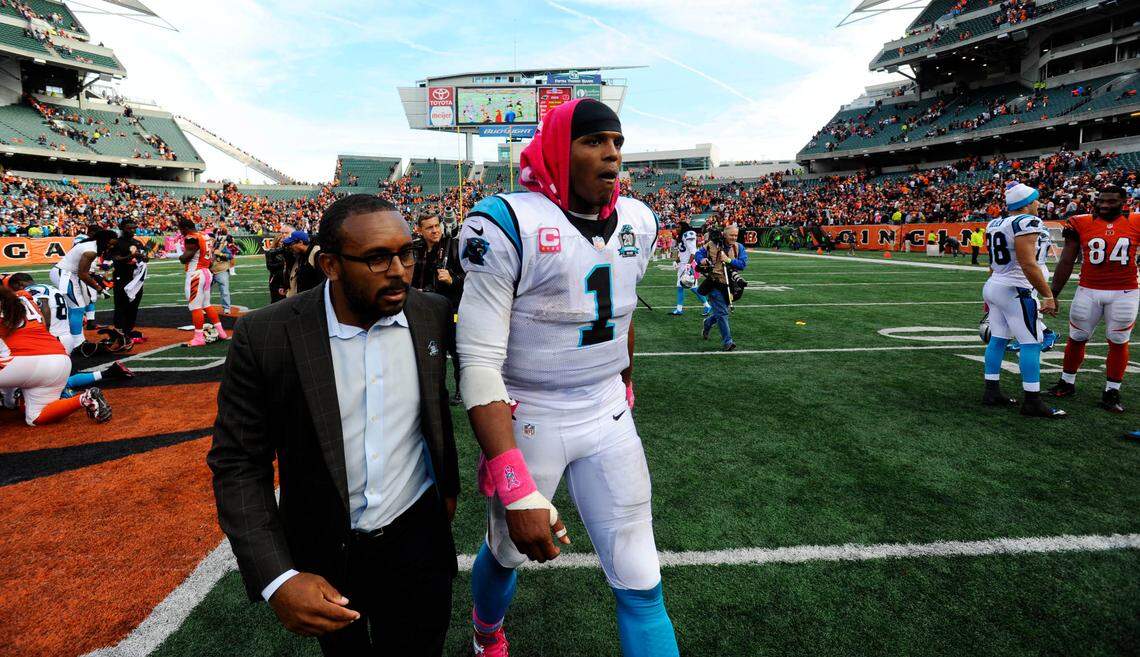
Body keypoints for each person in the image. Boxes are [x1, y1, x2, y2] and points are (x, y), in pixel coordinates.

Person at [457, 98, 679, 657]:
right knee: (507, 551)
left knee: (641, 577)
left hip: (606, 412)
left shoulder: (638, 219)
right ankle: (486, 634)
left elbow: (619, 312)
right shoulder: (507, 221)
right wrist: (512, 482)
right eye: (593, 141)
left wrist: (624, 385)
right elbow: (479, 363)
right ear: (560, 148)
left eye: (618, 142)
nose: (611, 154)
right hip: (530, 414)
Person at [209, 194, 460, 657]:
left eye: (407, 253)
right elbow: (238, 463)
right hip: (324, 548)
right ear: (330, 265)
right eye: (377, 258)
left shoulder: (431, 313)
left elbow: (446, 405)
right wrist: (278, 578)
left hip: (419, 540)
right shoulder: (267, 334)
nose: (400, 270)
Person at [1046, 185, 1138, 412]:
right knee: (1077, 336)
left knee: (1118, 341)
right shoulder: (1080, 221)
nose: (1105, 205)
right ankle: (1067, 382)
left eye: (1111, 201)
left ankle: (1112, 390)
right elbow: (1067, 260)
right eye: (1101, 201)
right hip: (1088, 289)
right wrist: (1052, 294)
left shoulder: (1136, 221)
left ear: (1124, 202)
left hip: (1125, 292)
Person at [980, 182, 1066, 418]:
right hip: (1016, 289)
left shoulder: (995, 222)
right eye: (1036, 200)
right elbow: (1028, 263)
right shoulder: (1028, 221)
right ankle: (1032, 400)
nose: (1039, 203)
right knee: (1031, 342)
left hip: (996, 284)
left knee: (997, 338)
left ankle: (991, 391)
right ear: (1027, 203)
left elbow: (993, 263)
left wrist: (990, 294)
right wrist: (1048, 295)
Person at [0, 284, 111, 425]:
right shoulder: (25, 297)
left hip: (23, 362)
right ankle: (85, 399)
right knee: (35, 417)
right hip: (59, 360)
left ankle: (11, 398)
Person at [411, 213, 465, 405]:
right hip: (424, 308)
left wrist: (452, 280)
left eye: (437, 226)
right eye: (429, 227)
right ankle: (435, 390)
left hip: (451, 308)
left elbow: (469, 277)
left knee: (456, 351)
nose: (435, 230)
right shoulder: (416, 248)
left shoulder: (454, 246)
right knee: (431, 352)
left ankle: (460, 391)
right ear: (420, 230)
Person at [49, 229, 116, 349]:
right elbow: (83, 274)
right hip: (65, 274)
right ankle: (77, 343)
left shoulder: (89, 244)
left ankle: (73, 338)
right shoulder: (91, 251)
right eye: (109, 243)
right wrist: (99, 289)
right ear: (102, 240)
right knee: (78, 307)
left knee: (76, 306)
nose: (110, 246)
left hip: (67, 273)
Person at [695, 225, 747, 352]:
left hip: (730, 284)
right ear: (724, 234)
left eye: (736, 235)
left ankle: (708, 322)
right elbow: (698, 254)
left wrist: (728, 260)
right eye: (731, 235)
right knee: (723, 313)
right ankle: (728, 342)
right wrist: (702, 260)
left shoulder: (739, 247)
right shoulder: (711, 244)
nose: (734, 237)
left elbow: (743, 264)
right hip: (714, 283)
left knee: (721, 312)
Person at [178, 218, 228, 347]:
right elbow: (210, 259)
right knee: (206, 304)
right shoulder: (204, 236)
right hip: (206, 272)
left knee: (195, 307)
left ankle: (199, 337)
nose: (181, 232)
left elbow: (185, 258)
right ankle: (222, 333)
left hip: (195, 274)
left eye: (181, 229)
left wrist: (179, 255)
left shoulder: (191, 237)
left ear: (185, 228)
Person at [108, 218, 149, 349]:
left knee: (134, 306)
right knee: (121, 306)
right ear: (122, 228)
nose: (132, 230)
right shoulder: (117, 243)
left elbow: (145, 256)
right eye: (129, 228)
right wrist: (130, 257)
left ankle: (128, 331)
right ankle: (119, 332)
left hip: (135, 279)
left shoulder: (137, 242)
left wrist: (144, 257)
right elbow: (116, 259)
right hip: (122, 277)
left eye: (134, 228)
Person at [670, 222, 710, 316]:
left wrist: (689, 264)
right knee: (681, 286)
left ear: (684, 227)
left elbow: (693, 252)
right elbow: (683, 253)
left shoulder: (688, 234)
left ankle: (707, 305)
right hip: (683, 265)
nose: (677, 228)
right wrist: (677, 261)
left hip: (689, 265)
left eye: (678, 227)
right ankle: (679, 309)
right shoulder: (681, 236)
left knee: (692, 287)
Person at [210, 226, 235, 315]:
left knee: (224, 290)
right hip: (209, 271)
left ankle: (226, 308)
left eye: (211, 238)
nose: (211, 240)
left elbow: (230, 256)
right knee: (206, 291)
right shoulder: (207, 247)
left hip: (221, 270)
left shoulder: (221, 245)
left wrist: (220, 254)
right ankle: (205, 306)